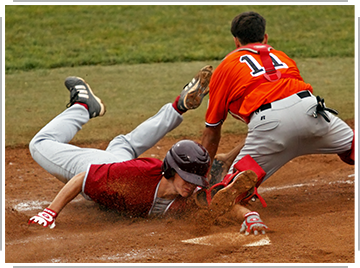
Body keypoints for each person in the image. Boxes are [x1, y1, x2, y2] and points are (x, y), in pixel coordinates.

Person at [200, 11, 355, 235]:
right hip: (312, 112)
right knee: (352, 146)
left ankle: (247, 210)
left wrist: (201, 177)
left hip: (270, 130)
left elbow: (212, 132)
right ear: (265, 37)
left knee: (221, 198)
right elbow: (289, 105)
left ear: (236, 41)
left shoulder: (226, 66)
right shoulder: (283, 57)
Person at [28, 66, 215, 228]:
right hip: (99, 165)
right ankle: (83, 106)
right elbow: (82, 178)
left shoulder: (189, 197)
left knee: (123, 145)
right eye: (188, 178)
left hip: (120, 163)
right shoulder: (137, 175)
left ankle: (177, 108)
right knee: (39, 144)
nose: (192, 185)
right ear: (171, 171)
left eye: (196, 180)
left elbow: (215, 201)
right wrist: (49, 213)